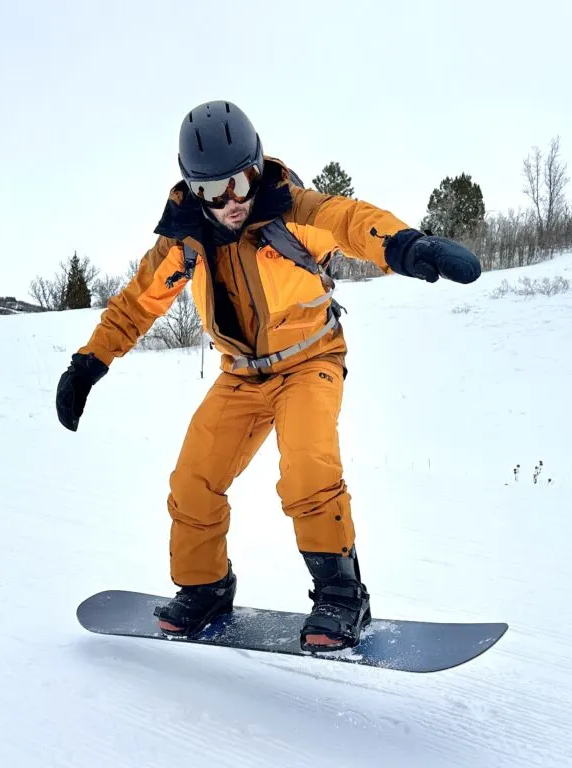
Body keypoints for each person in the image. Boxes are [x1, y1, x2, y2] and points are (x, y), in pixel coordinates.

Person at [55, 100, 481, 652]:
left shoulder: (293, 211)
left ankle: (342, 595)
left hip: (310, 359)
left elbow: (351, 222)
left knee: (307, 470)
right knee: (193, 481)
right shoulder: (184, 240)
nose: (231, 202)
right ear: (192, 189)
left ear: (259, 167)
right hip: (242, 375)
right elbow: (137, 305)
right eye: (212, 191)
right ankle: (205, 587)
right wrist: (89, 362)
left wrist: (405, 244)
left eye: (242, 182)